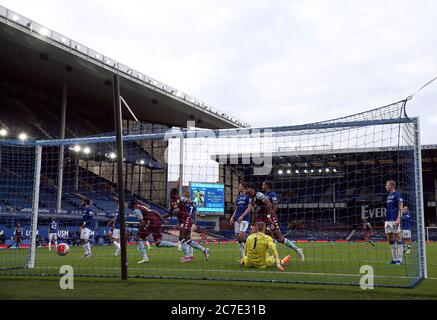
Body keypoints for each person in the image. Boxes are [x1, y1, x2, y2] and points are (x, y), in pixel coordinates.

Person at [168, 188, 210, 262]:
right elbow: (169, 213)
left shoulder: (180, 199)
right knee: (187, 239)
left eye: (172, 193)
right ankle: (204, 250)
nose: (171, 195)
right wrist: (161, 217)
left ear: (175, 194)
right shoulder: (171, 203)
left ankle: (187, 256)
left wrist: (188, 201)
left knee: (183, 237)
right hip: (182, 221)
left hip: (187, 219)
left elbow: (188, 201)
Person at [229, 182, 251, 260]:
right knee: (238, 238)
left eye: (239, 186)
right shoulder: (238, 197)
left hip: (244, 219)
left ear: (244, 187)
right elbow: (236, 208)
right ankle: (243, 257)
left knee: (242, 236)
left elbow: (249, 207)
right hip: (237, 219)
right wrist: (232, 217)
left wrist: (242, 216)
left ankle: (249, 253)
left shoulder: (248, 196)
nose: (238, 187)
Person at [385, 180, 403, 265]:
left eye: (387, 185)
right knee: (390, 239)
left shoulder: (397, 195)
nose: (386, 186)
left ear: (392, 186)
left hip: (395, 220)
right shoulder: (388, 196)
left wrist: (398, 219)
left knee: (398, 238)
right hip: (388, 220)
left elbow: (400, 207)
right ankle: (394, 259)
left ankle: (399, 260)